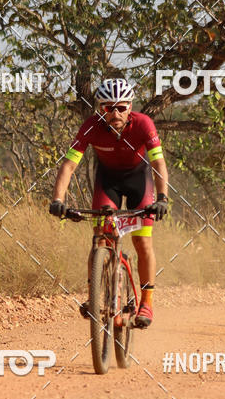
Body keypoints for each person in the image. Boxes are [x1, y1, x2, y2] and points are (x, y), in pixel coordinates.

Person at [49, 78, 169, 327]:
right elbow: (69, 165)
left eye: (121, 107)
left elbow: (158, 164)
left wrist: (162, 198)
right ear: (100, 110)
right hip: (108, 182)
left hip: (139, 181)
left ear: (130, 106)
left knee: (142, 240)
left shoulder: (144, 124)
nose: (115, 113)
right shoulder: (91, 127)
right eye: (108, 108)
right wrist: (58, 199)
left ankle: (146, 302)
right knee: (100, 237)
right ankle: (94, 297)